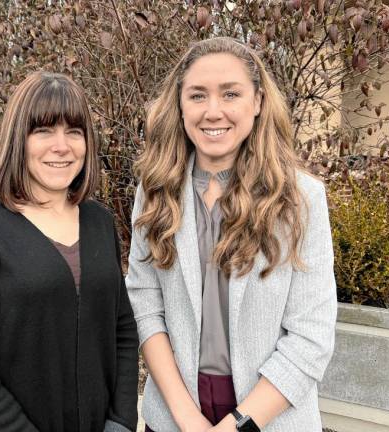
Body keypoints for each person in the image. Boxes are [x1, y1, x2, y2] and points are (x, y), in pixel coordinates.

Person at [126, 37, 337, 432]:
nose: (213, 111)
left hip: (269, 417)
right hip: (174, 415)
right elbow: (145, 304)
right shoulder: (154, 191)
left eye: (231, 94)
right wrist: (187, 418)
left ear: (257, 102)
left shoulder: (300, 199)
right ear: (180, 104)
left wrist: (237, 425)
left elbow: (311, 335)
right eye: (198, 95)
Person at [0, 71, 139, 432]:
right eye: (44, 130)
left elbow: (122, 328)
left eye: (74, 131)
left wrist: (121, 420)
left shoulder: (98, 222)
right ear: (20, 138)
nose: (61, 146)